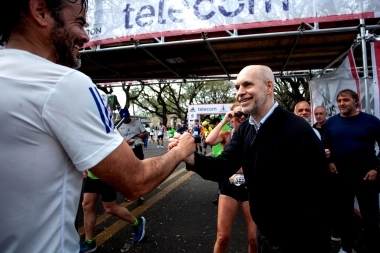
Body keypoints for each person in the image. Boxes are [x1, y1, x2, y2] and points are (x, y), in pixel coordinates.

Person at [0, 1, 195, 252]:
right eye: (79, 23)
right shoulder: (65, 84)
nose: (85, 36)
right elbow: (135, 181)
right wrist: (180, 152)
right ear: (40, 11)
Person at [169, 65, 331, 253]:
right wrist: (190, 157)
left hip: (298, 240)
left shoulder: (299, 131)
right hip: (265, 236)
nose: (240, 93)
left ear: (269, 87)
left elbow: (320, 194)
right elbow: (222, 167)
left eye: (247, 85)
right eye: (237, 87)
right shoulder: (245, 130)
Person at [323, 89, 380, 253]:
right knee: (344, 217)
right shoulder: (331, 123)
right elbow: (325, 146)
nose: (341, 103)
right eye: (339, 100)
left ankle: (374, 247)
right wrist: (329, 162)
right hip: (341, 178)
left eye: (346, 100)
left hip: (366, 178)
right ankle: (346, 247)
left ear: (356, 101)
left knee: (371, 219)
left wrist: (376, 168)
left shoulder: (371, 121)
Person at [206, 102, 256, 253]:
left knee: (254, 239)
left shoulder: (255, 134)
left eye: (245, 114)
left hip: (250, 186)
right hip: (229, 185)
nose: (242, 117)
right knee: (222, 237)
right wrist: (224, 121)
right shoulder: (227, 135)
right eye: (238, 114)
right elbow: (209, 141)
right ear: (232, 116)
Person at [80, 171, 146, 253]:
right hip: (92, 175)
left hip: (107, 175)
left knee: (110, 208)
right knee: (87, 205)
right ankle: (89, 242)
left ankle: (137, 222)